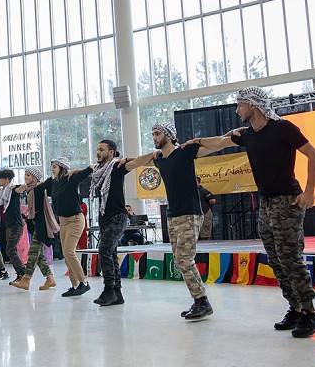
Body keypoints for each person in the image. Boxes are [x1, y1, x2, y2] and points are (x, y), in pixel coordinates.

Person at [184, 86, 315, 337]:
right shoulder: (248, 134)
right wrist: (196, 142)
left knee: (291, 259)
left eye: (240, 105)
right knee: (277, 261)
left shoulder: (283, 128)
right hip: (266, 204)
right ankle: (295, 308)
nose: (237, 110)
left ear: (253, 105)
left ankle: (311, 313)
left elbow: (314, 155)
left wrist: (310, 191)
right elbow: (222, 141)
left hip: (287, 201)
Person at [151, 123, 213, 319]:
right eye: (153, 134)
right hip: (173, 214)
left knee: (185, 259)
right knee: (179, 261)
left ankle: (202, 301)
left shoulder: (184, 152)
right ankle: (198, 300)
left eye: (158, 133)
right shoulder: (159, 160)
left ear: (168, 135)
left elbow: (218, 144)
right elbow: (144, 158)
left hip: (189, 213)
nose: (154, 137)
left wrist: (234, 136)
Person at [89, 141, 161, 306]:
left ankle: (108, 291)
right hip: (104, 218)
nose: (98, 152)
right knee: (111, 254)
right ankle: (117, 293)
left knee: (104, 250)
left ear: (112, 152)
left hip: (118, 217)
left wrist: (153, 154)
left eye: (101, 149)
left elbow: (136, 163)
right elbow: (84, 170)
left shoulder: (117, 167)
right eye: (97, 149)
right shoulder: (98, 172)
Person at [45, 157, 92, 297]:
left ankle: (84, 282)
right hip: (63, 221)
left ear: (62, 167)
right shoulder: (53, 183)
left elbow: (90, 169)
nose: (52, 168)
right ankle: (75, 285)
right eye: (51, 166)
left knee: (69, 252)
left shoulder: (71, 179)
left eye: (54, 166)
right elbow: (39, 186)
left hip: (75, 220)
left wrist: (74, 171)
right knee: (66, 255)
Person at [11, 167, 57, 291]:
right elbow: (16, 190)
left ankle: (26, 279)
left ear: (35, 178)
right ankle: (50, 278)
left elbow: (51, 181)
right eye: (25, 175)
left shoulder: (39, 188)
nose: (25, 177)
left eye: (28, 175)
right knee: (39, 254)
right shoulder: (29, 190)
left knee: (33, 252)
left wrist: (56, 170)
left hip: (42, 223)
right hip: (35, 222)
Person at [0, 169, 27, 283]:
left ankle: (22, 273)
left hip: (16, 224)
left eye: (0, 178)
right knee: (9, 250)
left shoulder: (13, 190)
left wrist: (30, 181)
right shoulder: (2, 193)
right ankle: (21, 273)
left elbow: (23, 187)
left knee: (10, 249)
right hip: (9, 225)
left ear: (7, 179)